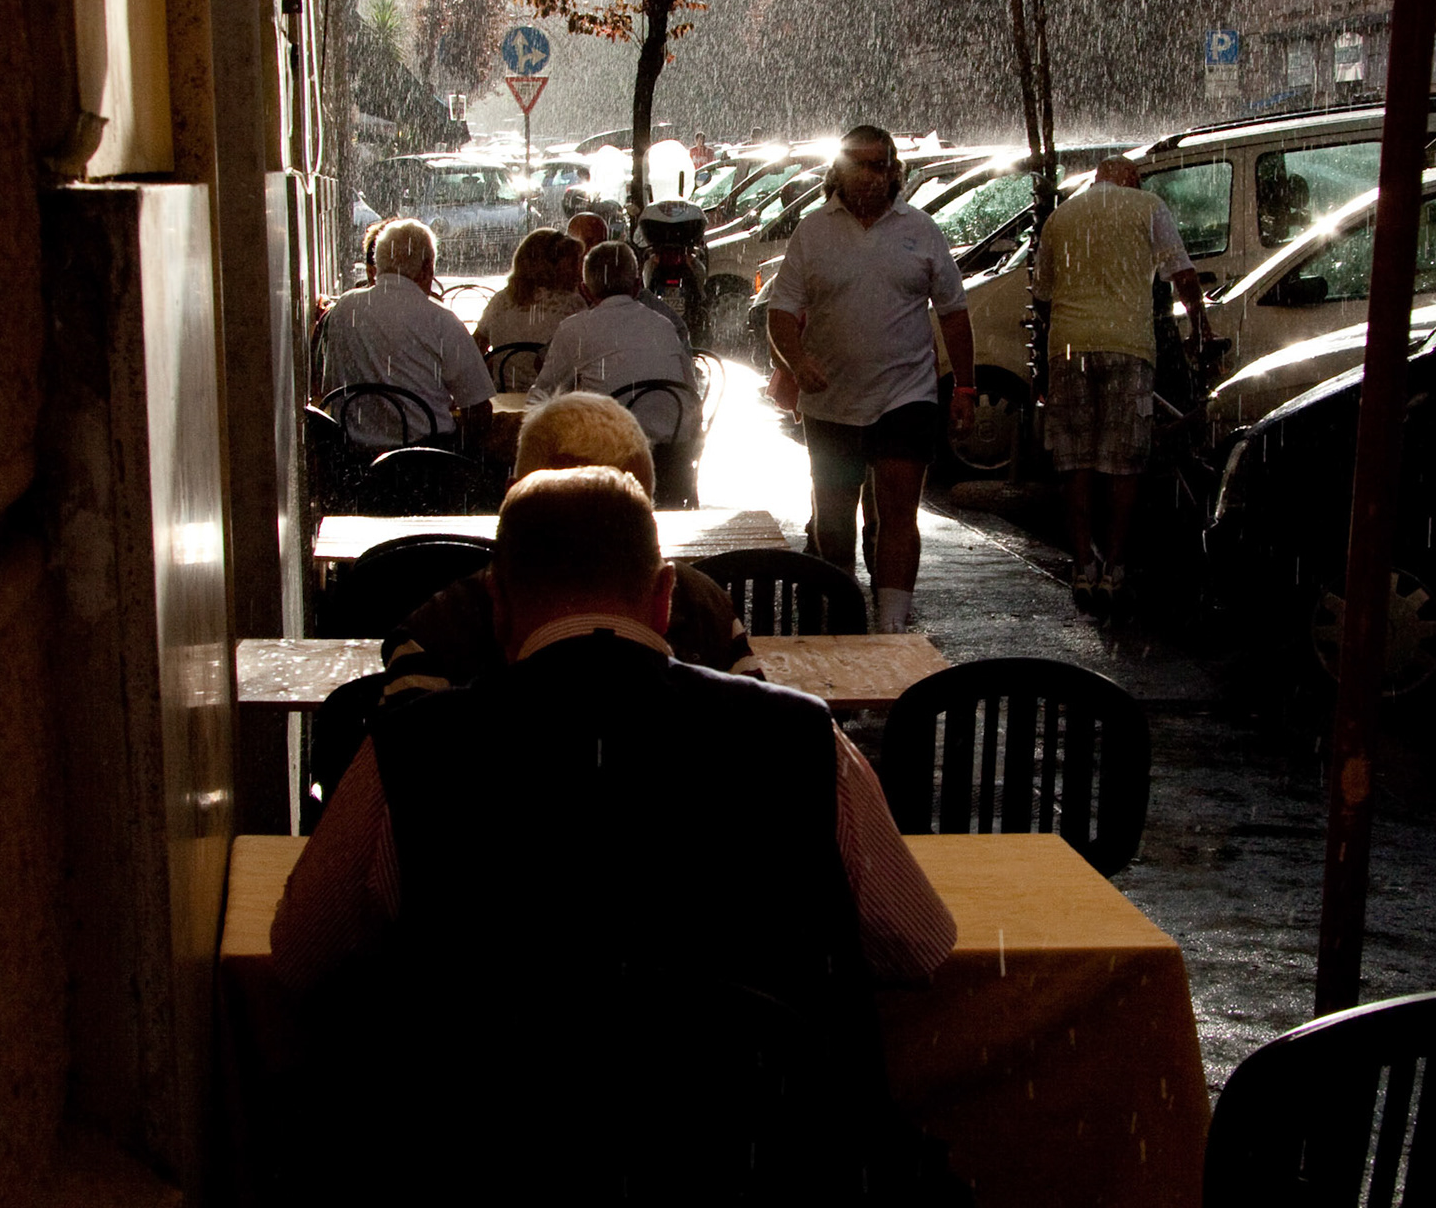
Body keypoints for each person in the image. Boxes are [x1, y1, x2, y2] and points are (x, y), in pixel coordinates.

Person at [271, 467, 957, 1199]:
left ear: (497, 603)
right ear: (664, 599)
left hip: (491, 1164)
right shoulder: (801, 738)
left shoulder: (412, 750)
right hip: (757, 1162)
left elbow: (301, 953)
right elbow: (920, 943)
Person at [379, 394, 760, 705]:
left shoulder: (438, 634)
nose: (591, 544)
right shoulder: (706, 612)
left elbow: (389, 786)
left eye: (624, 521)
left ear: (512, 496)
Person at [769, 126, 975, 633]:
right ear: (838, 172)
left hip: (906, 396)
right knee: (834, 524)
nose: (872, 176)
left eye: (881, 165)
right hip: (831, 400)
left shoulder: (921, 230)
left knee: (898, 515)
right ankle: (842, 608)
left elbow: (952, 311)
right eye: (860, 165)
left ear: (895, 171)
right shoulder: (813, 232)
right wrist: (797, 362)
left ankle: (891, 623)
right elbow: (781, 311)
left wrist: (965, 387)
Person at [1032, 154, 1212, 611]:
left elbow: (1044, 295)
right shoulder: (1147, 206)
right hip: (1128, 346)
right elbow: (1183, 275)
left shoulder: (1061, 216)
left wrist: (1043, 364)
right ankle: (1114, 566)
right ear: (1130, 180)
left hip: (1069, 349)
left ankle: (1081, 566)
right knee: (1122, 460)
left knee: (1076, 462)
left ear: (1096, 181)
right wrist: (1200, 327)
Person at [531, 242, 701, 493]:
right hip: (671, 457)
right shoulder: (663, 324)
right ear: (636, 286)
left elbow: (543, 393)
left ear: (585, 291)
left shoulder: (575, 329)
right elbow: (691, 390)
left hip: (610, 462)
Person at [315, 218, 494, 450]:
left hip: (354, 460)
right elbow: (479, 408)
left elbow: (328, 386)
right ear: (428, 267)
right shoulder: (440, 319)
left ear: (377, 264)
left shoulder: (343, 309)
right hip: (423, 463)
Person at [473, 227, 586, 387]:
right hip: (554, 402)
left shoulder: (500, 301)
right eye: (574, 262)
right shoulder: (572, 305)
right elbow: (588, 358)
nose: (580, 270)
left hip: (504, 401)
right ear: (551, 265)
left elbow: (475, 350)